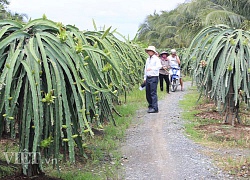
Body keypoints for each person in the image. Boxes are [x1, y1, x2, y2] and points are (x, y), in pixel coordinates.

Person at [143, 46, 162, 113]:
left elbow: (159, 66)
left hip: (154, 77)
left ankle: (155, 108)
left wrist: (152, 68)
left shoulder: (156, 59)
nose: (149, 52)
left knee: (153, 93)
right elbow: (145, 68)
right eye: (148, 51)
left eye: (151, 51)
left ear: (153, 52)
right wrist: (145, 77)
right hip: (148, 77)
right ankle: (150, 106)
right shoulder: (148, 59)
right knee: (147, 92)